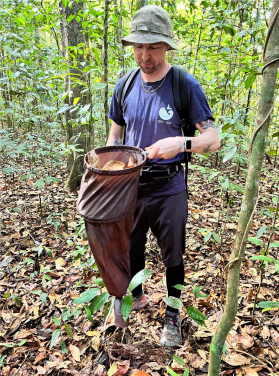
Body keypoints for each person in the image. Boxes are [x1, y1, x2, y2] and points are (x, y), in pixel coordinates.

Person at [107, 5, 220, 347]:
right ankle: (135, 297)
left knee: (173, 255)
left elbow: (212, 140)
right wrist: (110, 161)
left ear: (166, 46)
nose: (145, 55)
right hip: (130, 187)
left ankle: (172, 315)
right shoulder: (125, 86)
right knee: (130, 248)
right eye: (139, 47)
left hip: (169, 187)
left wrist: (180, 143)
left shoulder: (183, 84)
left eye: (153, 47)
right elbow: (115, 136)